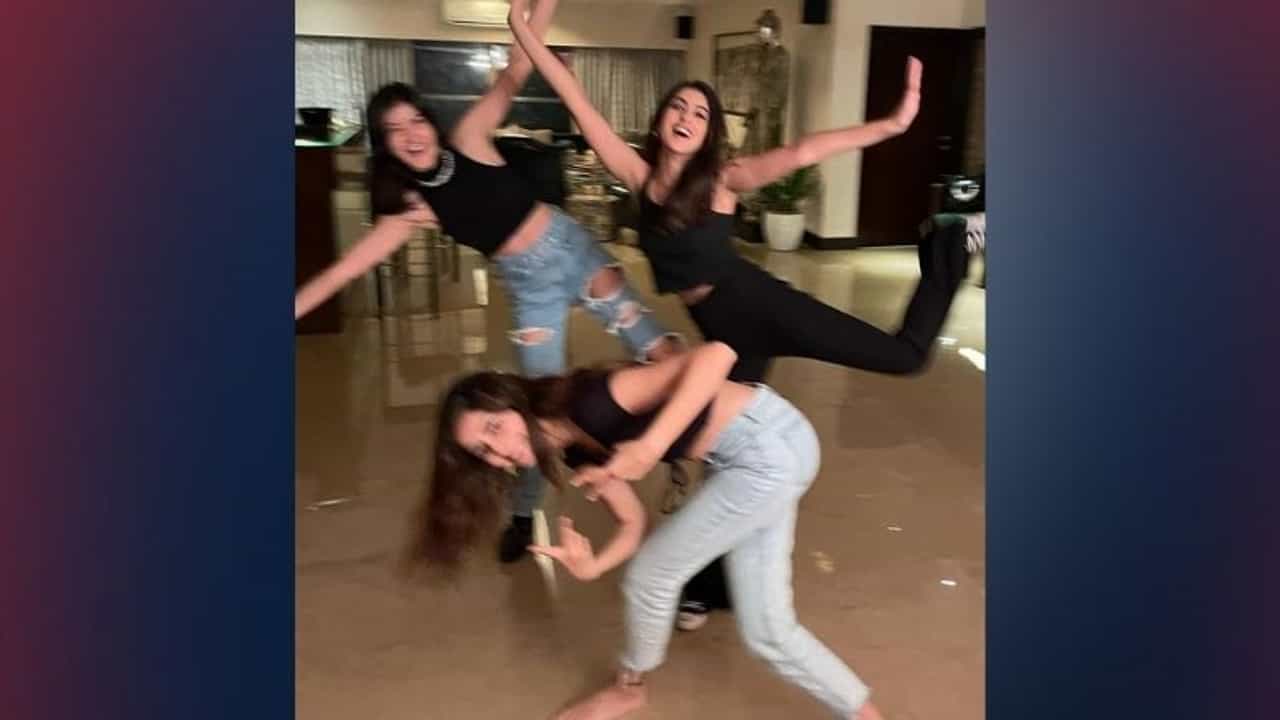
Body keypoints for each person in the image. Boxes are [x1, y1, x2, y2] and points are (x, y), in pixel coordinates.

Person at [508, 0, 977, 629]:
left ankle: (949, 239)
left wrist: (889, 125)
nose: (687, 117)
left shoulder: (725, 181)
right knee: (725, 458)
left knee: (906, 356)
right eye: (679, 107)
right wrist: (522, 30)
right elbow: (575, 98)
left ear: (709, 135)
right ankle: (710, 589)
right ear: (661, 119)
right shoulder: (639, 178)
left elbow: (805, 149)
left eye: (700, 114)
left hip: (763, 308)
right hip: (722, 334)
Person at [295, 0, 680, 564]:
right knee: (537, 413)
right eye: (394, 130)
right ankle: (524, 514)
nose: (410, 135)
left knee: (663, 352)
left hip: (575, 250)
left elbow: (516, 69)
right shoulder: (412, 209)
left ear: (430, 121)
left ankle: (687, 457)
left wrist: (538, 11)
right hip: (530, 286)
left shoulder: (470, 137)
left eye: (415, 120)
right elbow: (343, 270)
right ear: (385, 144)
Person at [410, 341, 885, 720]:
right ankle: (863, 711)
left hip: (766, 449)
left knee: (652, 575)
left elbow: (717, 355)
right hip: (752, 455)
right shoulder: (574, 446)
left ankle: (628, 687)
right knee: (767, 630)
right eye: (484, 451)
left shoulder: (592, 402)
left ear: (511, 400)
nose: (500, 453)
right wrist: (592, 566)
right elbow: (632, 522)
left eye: (494, 427)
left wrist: (649, 446)